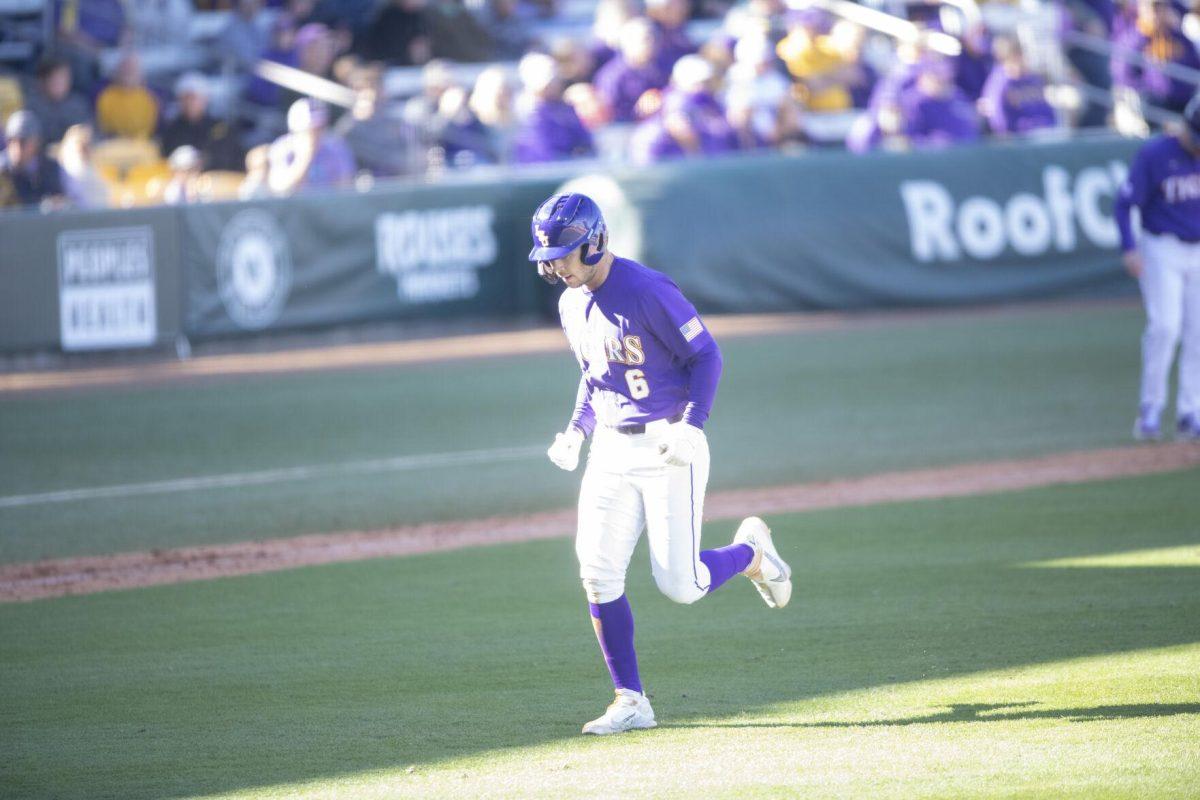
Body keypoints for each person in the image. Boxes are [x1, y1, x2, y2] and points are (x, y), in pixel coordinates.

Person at [530, 192, 793, 735]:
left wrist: (693, 427)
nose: (553, 264)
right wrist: (576, 430)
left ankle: (751, 553)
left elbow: (707, 356)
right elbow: (595, 372)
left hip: (667, 443)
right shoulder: (569, 303)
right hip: (608, 445)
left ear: (595, 241)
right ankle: (631, 700)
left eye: (563, 252)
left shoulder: (648, 289)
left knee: (682, 584)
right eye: (548, 255)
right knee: (597, 573)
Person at [1114, 93, 1200, 441]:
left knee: (1199, 332)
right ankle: (1150, 408)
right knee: (1165, 326)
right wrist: (1129, 248)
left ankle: (1190, 410)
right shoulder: (1155, 154)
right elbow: (1123, 204)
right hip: (1161, 246)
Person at [0, 111, 66, 209]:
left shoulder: (49, 167)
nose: (17, 148)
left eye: (23, 142)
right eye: (12, 140)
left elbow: (59, 200)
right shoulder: (2, 169)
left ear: (36, 142)